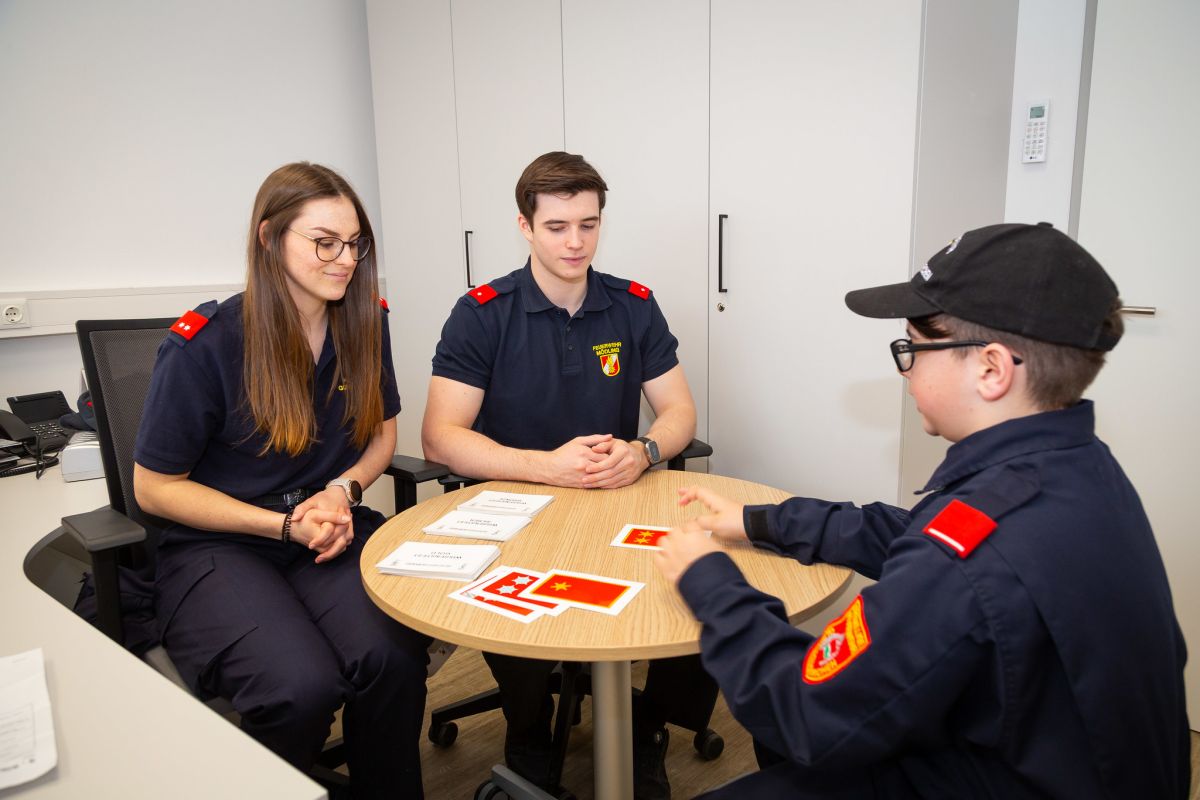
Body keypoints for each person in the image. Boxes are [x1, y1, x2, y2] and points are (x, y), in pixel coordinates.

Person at [655, 222, 1190, 799]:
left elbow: (808, 712)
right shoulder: (1074, 468)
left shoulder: (976, 550)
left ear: (991, 369)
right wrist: (760, 520)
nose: (904, 370)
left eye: (911, 348)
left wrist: (710, 581)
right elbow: (912, 532)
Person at [422, 151, 717, 798]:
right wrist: (547, 467)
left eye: (589, 224)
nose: (575, 241)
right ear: (525, 227)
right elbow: (441, 437)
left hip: (616, 496)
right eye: (557, 226)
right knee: (508, 605)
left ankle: (649, 726)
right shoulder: (482, 313)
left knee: (706, 577)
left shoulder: (633, 305)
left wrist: (643, 451)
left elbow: (679, 412)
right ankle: (527, 726)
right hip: (516, 503)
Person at [133, 162, 431, 798]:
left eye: (355, 243)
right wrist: (282, 524)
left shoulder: (364, 323)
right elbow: (155, 488)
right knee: (299, 687)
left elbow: (382, 436)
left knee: (392, 660)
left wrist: (343, 489)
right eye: (324, 242)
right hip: (222, 544)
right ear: (269, 238)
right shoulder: (205, 345)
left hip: (327, 526)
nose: (345, 259)